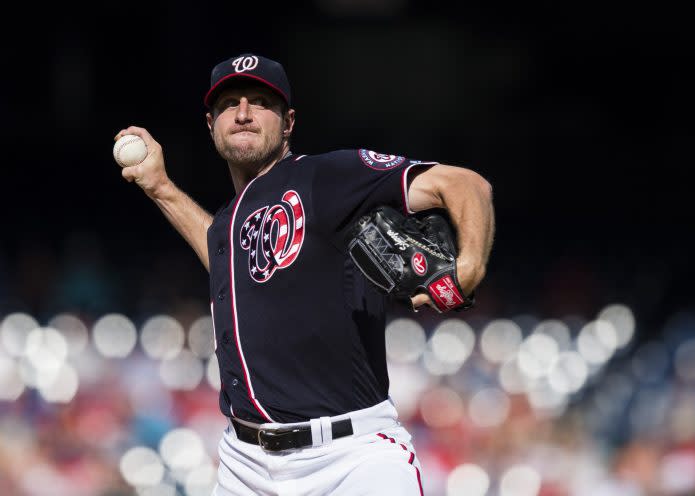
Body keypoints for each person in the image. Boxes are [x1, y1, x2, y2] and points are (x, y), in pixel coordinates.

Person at [116, 53, 494, 495]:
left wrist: (468, 268)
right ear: (210, 124)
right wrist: (161, 189)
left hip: (350, 457)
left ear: (288, 122)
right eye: (229, 104)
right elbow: (227, 262)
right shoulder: (228, 221)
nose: (242, 114)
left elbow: (465, 184)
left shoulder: (326, 176)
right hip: (244, 465)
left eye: (259, 102)